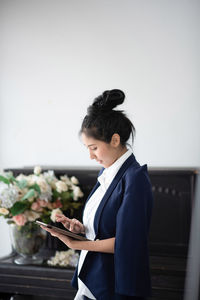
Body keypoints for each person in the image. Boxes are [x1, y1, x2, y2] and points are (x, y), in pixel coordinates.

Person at [41, 89, 153, 300]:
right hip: (93, 278)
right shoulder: (107, 173)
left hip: (114, 285)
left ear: (115, 140)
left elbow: (128, 243)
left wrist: (78, 244)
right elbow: (105, 228)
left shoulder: (134, 178)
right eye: (87, 148)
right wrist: (80, 229)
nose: (91, 156)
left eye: (93, 148)